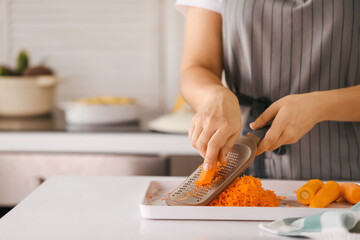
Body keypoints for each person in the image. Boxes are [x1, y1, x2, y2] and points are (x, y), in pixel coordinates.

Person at [176, 0, 360, 180]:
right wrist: (214, 96)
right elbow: (197, 67)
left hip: (350, 175)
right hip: (244, 163)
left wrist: (320, 106)